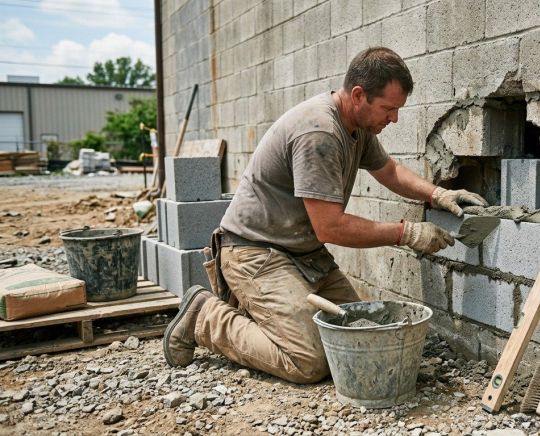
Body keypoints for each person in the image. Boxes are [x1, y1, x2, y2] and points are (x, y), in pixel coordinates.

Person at [162, 47, 487, 384]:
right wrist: (407, 233)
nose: (394, 119)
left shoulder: (358, 126)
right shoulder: (319, 132)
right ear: (358, 95)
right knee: (311, 360)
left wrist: (438, 194)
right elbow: (330, 226)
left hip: (303, 254)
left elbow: (388, 170)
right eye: (389, 109)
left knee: (359, 337)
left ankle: (271, 313)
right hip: (254, 252)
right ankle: (206, 316)